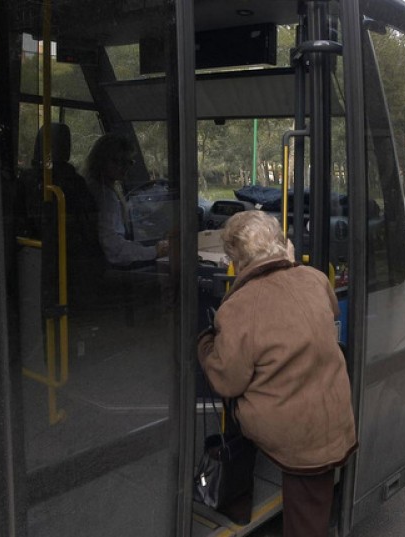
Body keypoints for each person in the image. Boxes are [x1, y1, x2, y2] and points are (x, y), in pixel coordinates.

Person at [197, 211, 357, 537]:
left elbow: (227, 380)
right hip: (333, 415)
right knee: (311, 503)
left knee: (237, 409)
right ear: (282, 243)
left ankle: (235, 499)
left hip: (302, 435)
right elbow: (328, 314)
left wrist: (205, 344)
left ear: (235, 258)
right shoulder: (315, 279)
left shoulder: (239, 306)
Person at [83, 133, 168, 268]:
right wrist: (153, 251)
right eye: (117, 161)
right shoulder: (105, 197)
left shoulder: (94, 187)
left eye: (128, 162)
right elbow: (113, 248)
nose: (123, 167)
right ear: (101, 160)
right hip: (108, 269)